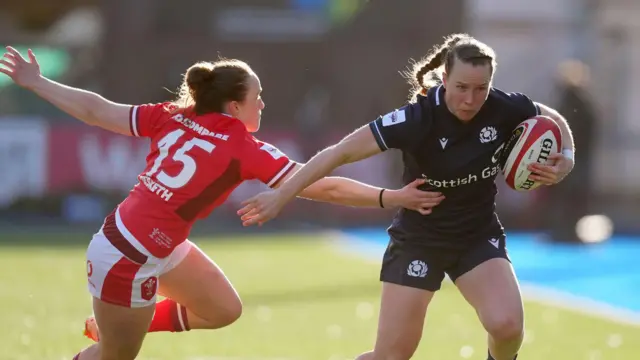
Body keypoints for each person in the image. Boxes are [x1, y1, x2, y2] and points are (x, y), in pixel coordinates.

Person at [0, 46, 445, 360]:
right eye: (257, 97)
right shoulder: (239, 145)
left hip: (151, 243)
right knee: (114, 358)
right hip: (128, 257)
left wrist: (37, 82)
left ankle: (115, 322)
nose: (264, 103)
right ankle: (111, 331)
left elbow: (98, 109)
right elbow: (322, 186)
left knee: (223, 309)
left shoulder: (175, 115)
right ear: (234, 105)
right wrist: (393, 198)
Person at [238, 33, 576, 360]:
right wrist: (282, 195)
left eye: (480, 89)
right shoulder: (416, 118)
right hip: (420, 239)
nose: (471, 100)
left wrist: (567, 159)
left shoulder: (503, 106)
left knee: (507, 326)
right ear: (444, 78)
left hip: (476, 235)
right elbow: (339, 153)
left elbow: (552, 118)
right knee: (391, 356)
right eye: (461, 88)